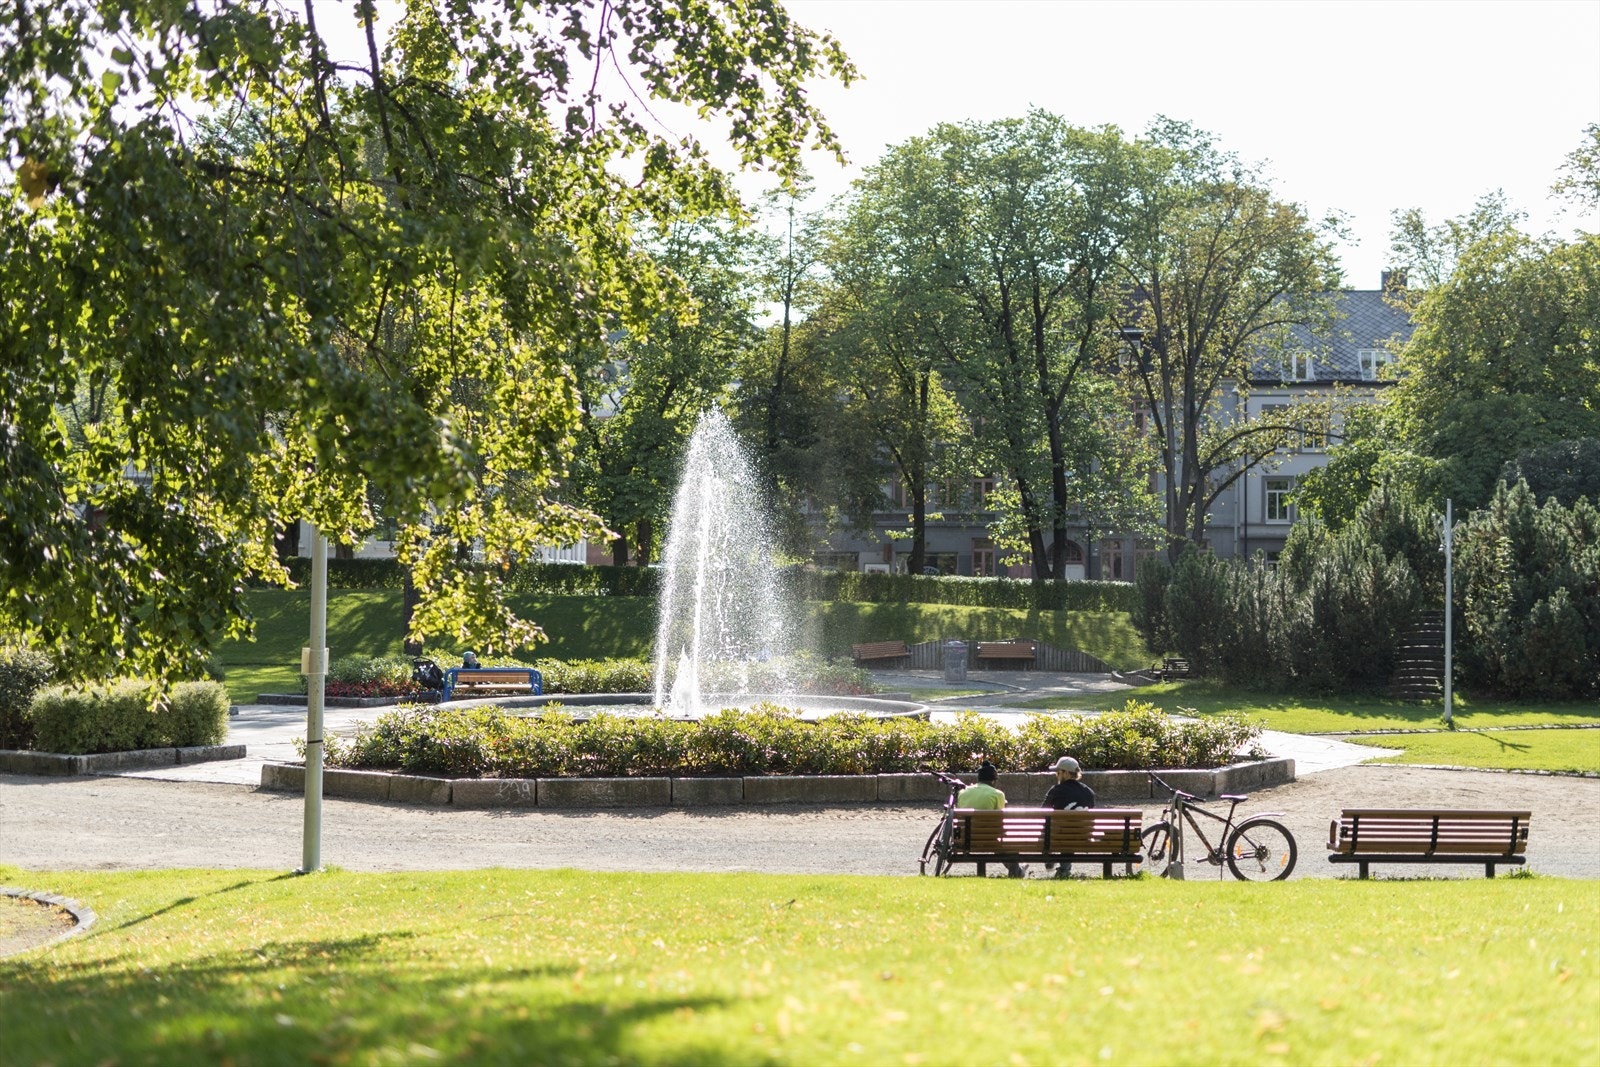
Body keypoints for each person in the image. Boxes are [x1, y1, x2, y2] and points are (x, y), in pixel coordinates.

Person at [956, 760, 1025, 878]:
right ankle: (1016, 872)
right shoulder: (997, 794)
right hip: (989, 839)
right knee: (1009, 844)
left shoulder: (962, 792)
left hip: (965, 839)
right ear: (993, 781)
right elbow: (1000, 820)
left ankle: (1018, 871)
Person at [1042, 755, 1095, 880]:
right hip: (1083, 836)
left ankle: (1049, 858)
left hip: (1059, 836)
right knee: (1072, 829)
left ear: (1065, 773)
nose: (1056, 775)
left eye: (1058, 772)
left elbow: (1043, 812)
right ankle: (1064, 869)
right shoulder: (1088, 791)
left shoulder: (1056, 790)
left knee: (1052, 830)